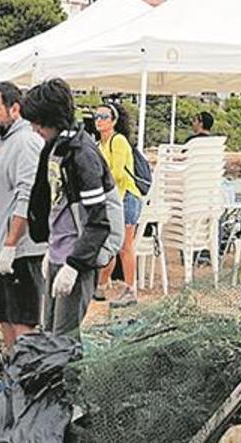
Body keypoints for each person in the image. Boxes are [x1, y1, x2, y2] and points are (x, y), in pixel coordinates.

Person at [23, 78, 116, 339]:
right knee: (49, 334)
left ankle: (68, 382)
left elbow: (98, 221)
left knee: (65, 341)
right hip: (56, 253)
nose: (34, 128)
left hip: (77, 258)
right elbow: (53, 203)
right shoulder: (54, 149)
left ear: (51, 117)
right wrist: (49, 248)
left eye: (37, 122)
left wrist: (75, 264)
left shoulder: (83, 154)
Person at [0, 81, 47, 351]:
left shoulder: (26, 142)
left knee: (23, 322)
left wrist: (11, 244)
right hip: (4, 249)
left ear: (15, 108)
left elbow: (27, 194)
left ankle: (26, 380)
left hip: (21, 250)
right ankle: (12, 380)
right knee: (5, 317)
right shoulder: (7, 141)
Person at [94, 102, 140, 307]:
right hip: (111, 200)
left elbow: (118, 174)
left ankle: (130, 289)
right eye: (96, 116)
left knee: (124, 246)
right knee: (109, 244)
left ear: (113, 120)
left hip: (126, 197)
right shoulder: (98, 145)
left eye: (104, 116)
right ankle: (102, 286)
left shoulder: (118, 141)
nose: (99, 120)